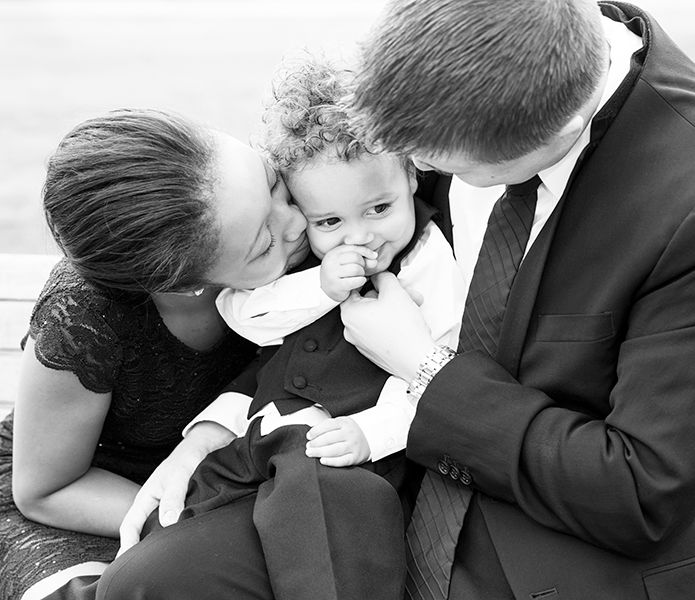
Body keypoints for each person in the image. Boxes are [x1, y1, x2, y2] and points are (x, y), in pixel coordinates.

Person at [337, 1, 695, 599]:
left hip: (591, 565)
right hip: (396, 493)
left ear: (560, 132)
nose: (414, 170)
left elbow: (642, 491)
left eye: (445, 165)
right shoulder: (472, 66)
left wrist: (424, 368)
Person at [97, 51, 464, 600]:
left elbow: (442, 366)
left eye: (380, 209)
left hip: (343, 448)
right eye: (330, 221)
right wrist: (322, 287)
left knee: (319, 529)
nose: (359, 236)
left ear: (411, 174)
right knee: (166, 531)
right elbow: (248, 318)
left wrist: (373, 434)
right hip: (259, 436)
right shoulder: (310, 258)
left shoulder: (427, 260)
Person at [0, 108, 309, 600]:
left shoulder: (312, 225)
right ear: (185, 284)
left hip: (229, 486)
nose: (297, 222)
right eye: (264, 243)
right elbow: (45, 490)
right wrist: (182, 513)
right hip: (83, 507)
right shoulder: (83, 316)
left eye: (273, 184)